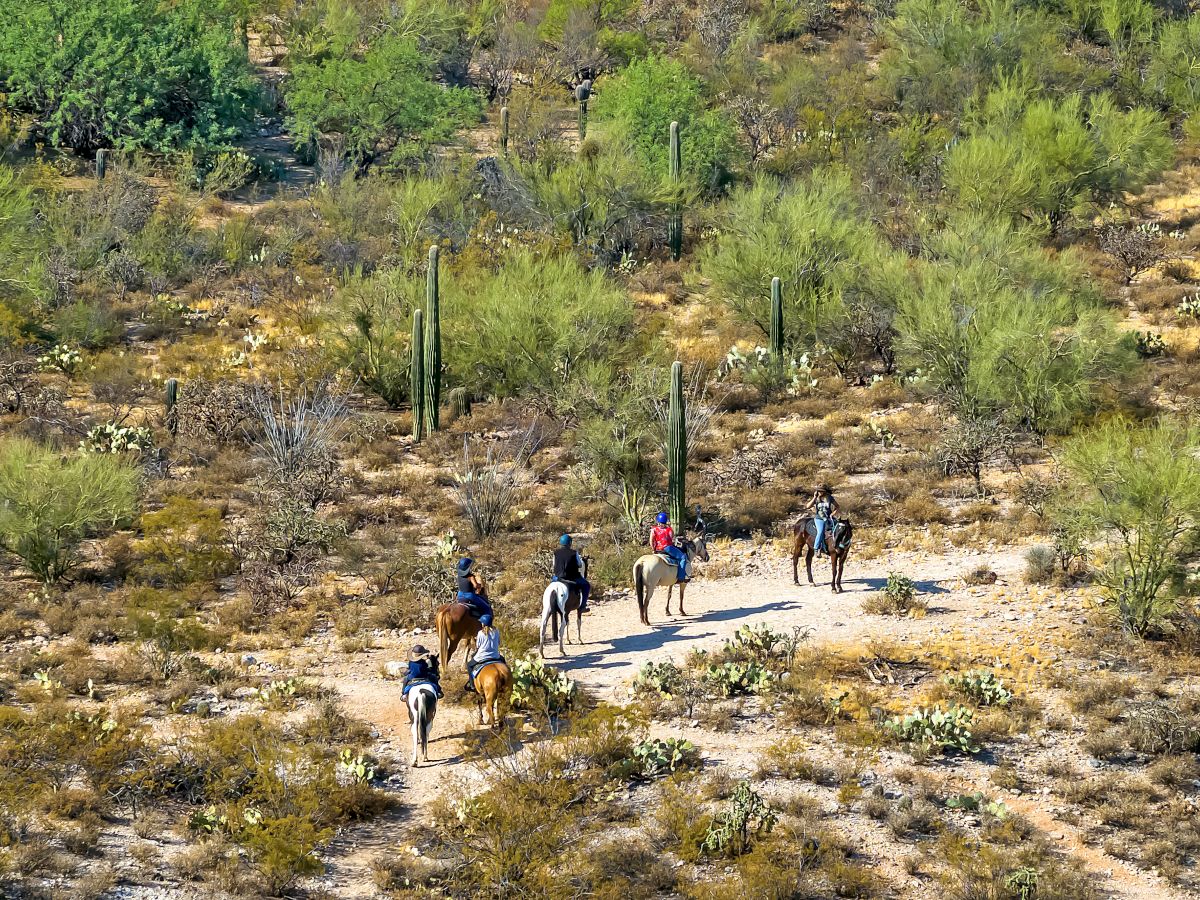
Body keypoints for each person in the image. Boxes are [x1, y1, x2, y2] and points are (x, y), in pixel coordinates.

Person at [402, 644, 443, 723]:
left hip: (412, 677)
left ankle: (403, 694)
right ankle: (439, 691)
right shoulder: (424, 663)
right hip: (424, 676)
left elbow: (410, 670)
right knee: (434, 678)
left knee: (405, 680)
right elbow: (427, 670)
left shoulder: (411, 662)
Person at [552, 534, 591, 613]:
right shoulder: (574, 553)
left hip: (558, 577)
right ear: (570, 543)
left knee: (552, 586)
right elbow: (580, 564)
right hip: (572, 577)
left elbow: (553, 565)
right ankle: (583, 606)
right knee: (586, 585)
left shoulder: (556, 553)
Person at [466, 613, 504, 693]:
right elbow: (499, 642)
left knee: (469, 665)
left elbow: (478, 646)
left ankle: (472, 685)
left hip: (482, 657)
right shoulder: (496, 631)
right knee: (503, 662)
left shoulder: (480, 633)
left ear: (484, 623)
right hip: (495, 656)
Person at [650, 511, 688, 583]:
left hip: (658, 549)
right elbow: (672, 537)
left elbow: (651, 541)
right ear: (665, 522)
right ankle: (681, 577)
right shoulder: (668, 529)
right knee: (683, 557)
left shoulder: (653, 529)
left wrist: (653, 549)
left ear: (658, 521)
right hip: (667, 548)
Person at [807, 485, 841, 555]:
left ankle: (837, 545)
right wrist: (814, 497)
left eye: (821, 491)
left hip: (828, 517)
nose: (820, 492)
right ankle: (816, 549)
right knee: (820, 531)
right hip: (819, 518)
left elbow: (837, 506)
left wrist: (833, 513)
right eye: (818, 491)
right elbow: (808, 506)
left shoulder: (829, 498)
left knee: (838, 528)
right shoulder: (816, 499)